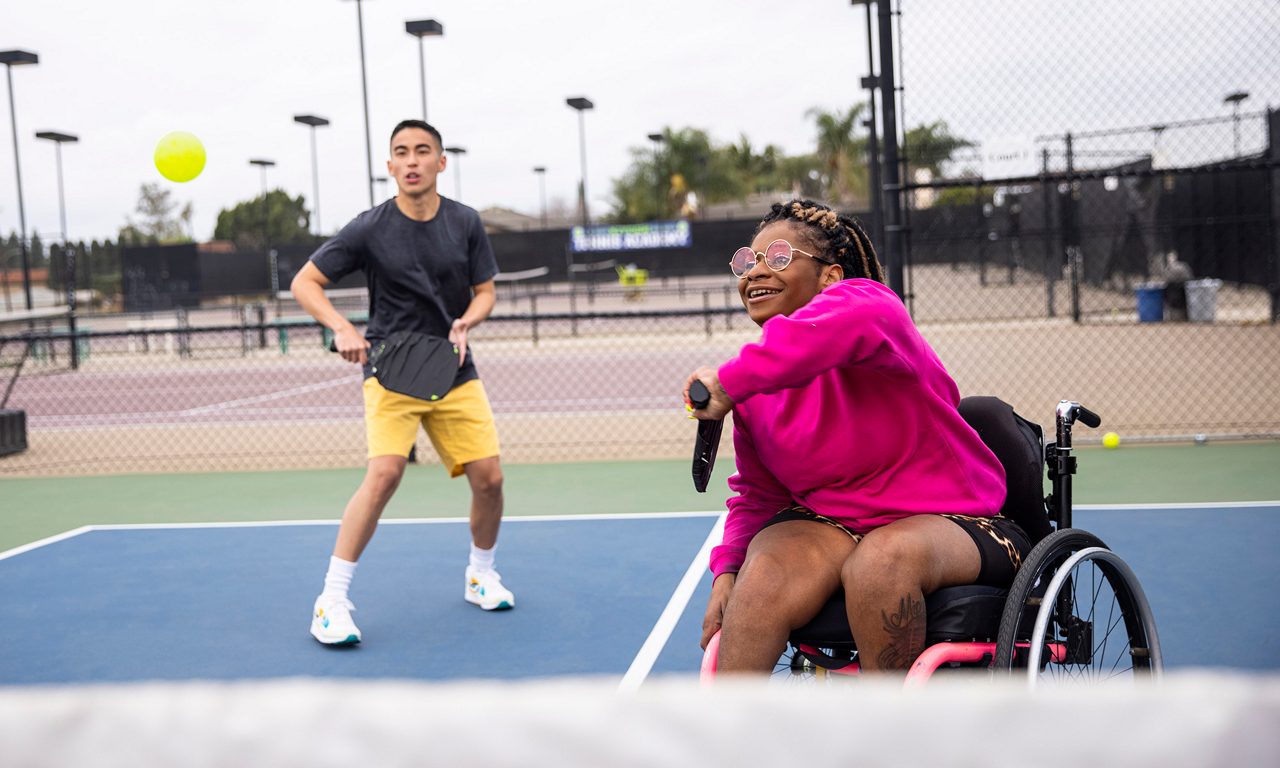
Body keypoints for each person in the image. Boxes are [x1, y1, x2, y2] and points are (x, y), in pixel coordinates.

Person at [684, 199, 1029, 674]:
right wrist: (727, 572)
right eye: (748, 261)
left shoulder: (871, 308)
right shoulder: (754, 385)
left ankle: (884, 734)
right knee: (762, 578)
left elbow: (829, 331)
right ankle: (727, 740)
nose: (755, 272)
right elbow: (759, 496)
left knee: (881, 561)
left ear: (830, 276)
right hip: (835, 524)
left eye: (779, 256)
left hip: (955, 519)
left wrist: (727, 381)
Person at [292, 119, 514, 646]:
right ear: (389, 166)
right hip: (390, 370)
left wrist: (466, 320)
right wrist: (341, 326)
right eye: (401, 153)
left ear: (441, 162)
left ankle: (481, 573)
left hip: (453, 367)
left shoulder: (464, 223)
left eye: (422, 151)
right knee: (385, 474)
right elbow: (306, 282)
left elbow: (485, 291)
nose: (411, 160)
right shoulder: (369, 228)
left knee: (490, 480)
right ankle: (331, 601)